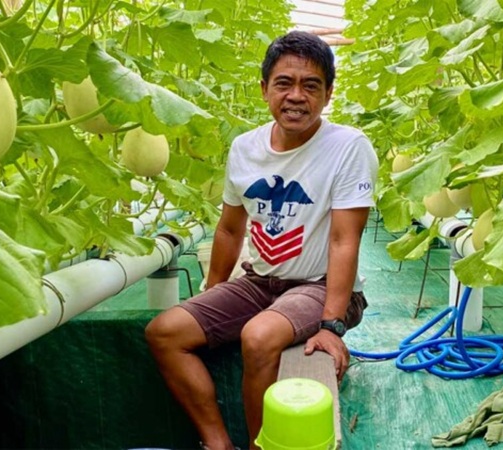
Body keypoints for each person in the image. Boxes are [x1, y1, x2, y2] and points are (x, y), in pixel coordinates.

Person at [145, 30, 379, 450]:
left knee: (258, 336)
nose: (296, 96)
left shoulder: (348, 147)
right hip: (259, 282)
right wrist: (213, 291)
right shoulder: (244, 148)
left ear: (328, 94)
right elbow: (229, 229)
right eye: (284, 83)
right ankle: (218, 443)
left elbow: (345, 240)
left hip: (320, 285)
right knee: (165, 332)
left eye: (311, 86)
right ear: (264, 89)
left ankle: (259, 445)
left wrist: (332, 324)